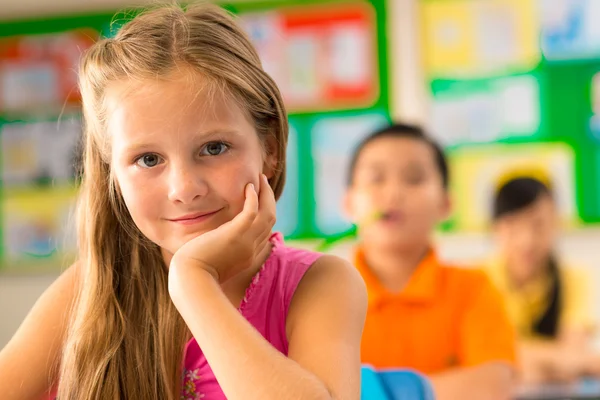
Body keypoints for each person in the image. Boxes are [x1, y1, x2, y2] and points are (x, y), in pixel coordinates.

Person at [0, 4, 366, 399]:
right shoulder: (90, 290)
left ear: (271, 148)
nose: (184, 188)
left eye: (214, 147)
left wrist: (194, 283)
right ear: (114, 176)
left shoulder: (319, 284)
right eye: (148, 159)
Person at [344, 123, 516, 400]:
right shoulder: (321, 293)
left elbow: (493, 385)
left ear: (445, 203)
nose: (393, 193)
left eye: (414, 179)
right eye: (376, 179)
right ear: (349, 203)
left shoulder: (472, 288)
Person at [486, 176, 598, 383]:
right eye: (513, 225)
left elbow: (574, 358)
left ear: (556, 224)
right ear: (495, 229)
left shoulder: (574, 279)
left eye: (538, 225)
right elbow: (485, 358)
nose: (526, 240)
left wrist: (519, 358)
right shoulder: (477, 282)